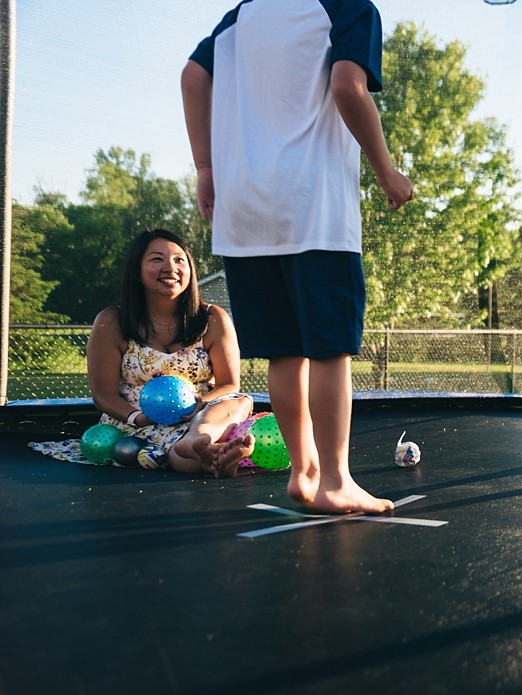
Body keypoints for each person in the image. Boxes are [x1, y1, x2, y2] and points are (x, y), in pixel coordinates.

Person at [181, 0, 415, 514]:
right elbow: (347, 87)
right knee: (330, 348)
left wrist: (205, 166)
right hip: (311, 203)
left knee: (285, 352)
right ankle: (334, 479)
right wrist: (386, 169)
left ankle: (303, 472)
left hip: (244, 207)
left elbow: (193, 77)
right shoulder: (349, 8)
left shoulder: (242, 15)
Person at [30, 229, 255, 476]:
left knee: (239, 401)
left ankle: (200, 444)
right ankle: (214, 457)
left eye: (179, 260)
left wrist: (202, 403)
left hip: (202, 417)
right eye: (157, 259)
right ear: (137, 271)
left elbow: (229, 384)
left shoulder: (212, 318)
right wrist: (137, 418)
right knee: (175, 454)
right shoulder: (112, 321)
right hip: (137, 422)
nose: (171, 267)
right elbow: (103, 394)